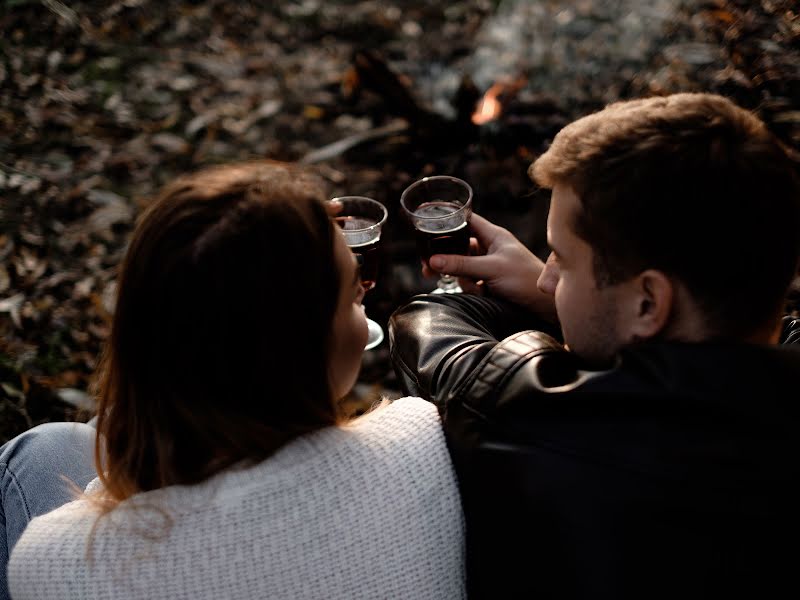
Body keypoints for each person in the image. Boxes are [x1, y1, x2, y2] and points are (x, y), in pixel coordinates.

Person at [389, 93, 800, 599]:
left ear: (648, 303)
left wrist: (555, 314)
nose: (545, 281)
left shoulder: (543, 427)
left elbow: (431, 323)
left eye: (560, 258)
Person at [2, 161, 465, 599]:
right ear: (298, 345)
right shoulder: (420, 442)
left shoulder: (53, 561)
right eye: (352, 293)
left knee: (43, 449)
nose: (364, 304)